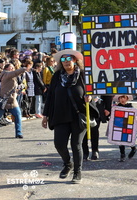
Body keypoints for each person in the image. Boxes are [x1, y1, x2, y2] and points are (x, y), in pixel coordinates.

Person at [42, 49, 99, 183]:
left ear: (75, 60)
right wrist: (45, 115)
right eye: (63, 59)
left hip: (79, 115)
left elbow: (95, 90)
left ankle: (77, 172)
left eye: (69, 59)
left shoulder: (83, 75)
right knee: (59, 144)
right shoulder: (57, 76)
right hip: (60, 115)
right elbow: (50, 96)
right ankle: (68, 163)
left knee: (76, 144)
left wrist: (90, 97)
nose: (66, 61)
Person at [0, 63, 32, 137]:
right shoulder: (5, 74)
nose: (12, 68)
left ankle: (18, 133)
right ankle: (18, 133)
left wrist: (18, 90)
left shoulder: (12, 76)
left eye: (13, 67)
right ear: (6, 68)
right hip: (3, 99)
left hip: (12, 100)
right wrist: (24, 68)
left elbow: (12, 86)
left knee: (18, 115)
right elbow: (14, 73)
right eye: (10, 67)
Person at [113, 95, 137, 162]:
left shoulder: (130, 107)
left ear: (127, 99)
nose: (122, 99)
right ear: (118, 99)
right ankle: (122, 155)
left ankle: (133, 149)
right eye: (121, 98)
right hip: (120, 125)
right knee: (121, 141)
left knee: (129, 138)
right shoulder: (116, 108)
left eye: (124, 98)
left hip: (129, 125)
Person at [82, 95, 113, 160]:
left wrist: (108, 108)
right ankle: (84, 152)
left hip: (97, 107)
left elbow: (106, 93)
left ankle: (95, 150)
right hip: (82, 107)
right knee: (83, 130)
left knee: (94, 130)